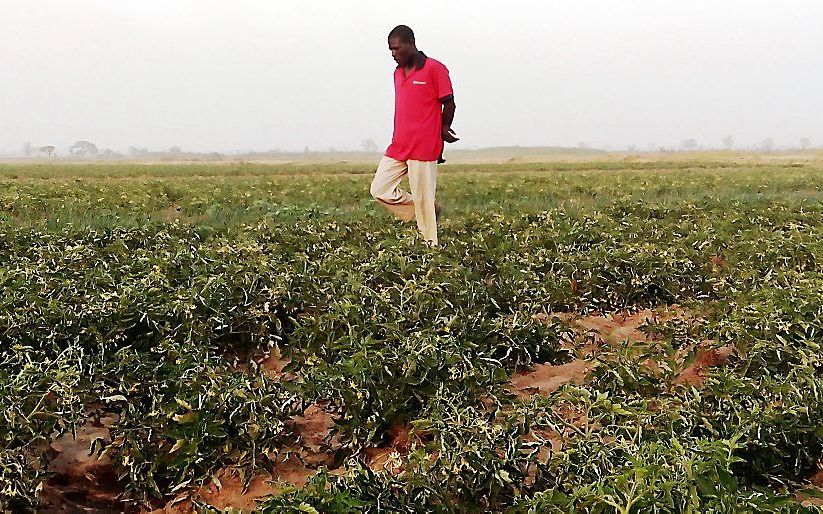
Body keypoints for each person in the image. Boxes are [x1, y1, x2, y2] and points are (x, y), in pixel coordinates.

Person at [370, 24, 458, 245]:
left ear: (411, 44)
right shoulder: (397, 73)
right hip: (399, 144)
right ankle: (424, 209)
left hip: (424, 145)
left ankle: (431, 250)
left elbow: (449, 103)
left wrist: (444, 128)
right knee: (380, 189)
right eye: (390, 49)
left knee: (423, 198)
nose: (393, 54)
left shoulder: (435, 69)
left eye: (397, 49)